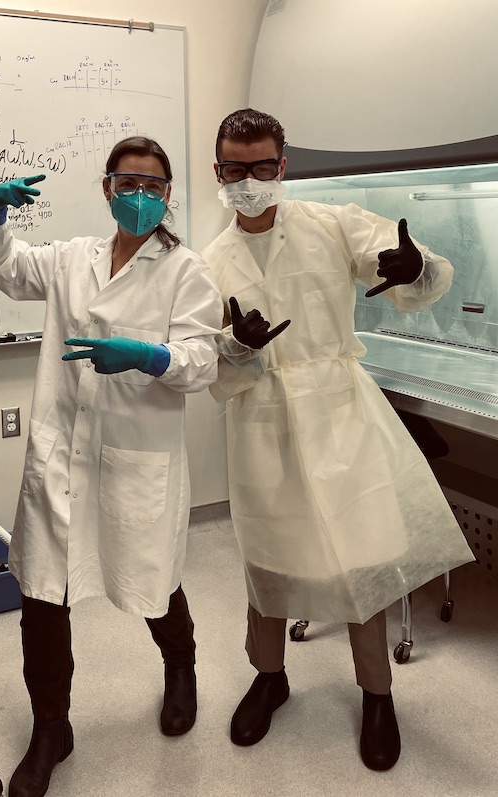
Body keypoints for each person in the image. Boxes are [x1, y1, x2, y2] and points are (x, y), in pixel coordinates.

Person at [202, 108, 474, 771]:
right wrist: (235, 347)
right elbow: (208, 360)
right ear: (218, 172)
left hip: (341, 414)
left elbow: (414, 269)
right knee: (269, 561)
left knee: (362, 556)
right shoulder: (209, 261)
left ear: (283, 167)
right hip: (262, 423)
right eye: (235, 168)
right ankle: (270, 676)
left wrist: (412, 267)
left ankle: (376, 692)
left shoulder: (331, 221)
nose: (249, 180)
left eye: (262, 166)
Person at [0, 136, 222, 797]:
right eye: (127, 182)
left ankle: (181, 665)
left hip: (135, 454)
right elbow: (3, 268)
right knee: (41, 596)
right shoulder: (70, 259)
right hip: (60, 455)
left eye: (154, 186)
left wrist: (149, 355)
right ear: (106, 187)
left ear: (169, 195)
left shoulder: (186, 270)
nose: (139, 196)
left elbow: (204, 360)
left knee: (150, 578)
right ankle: (51, 725)